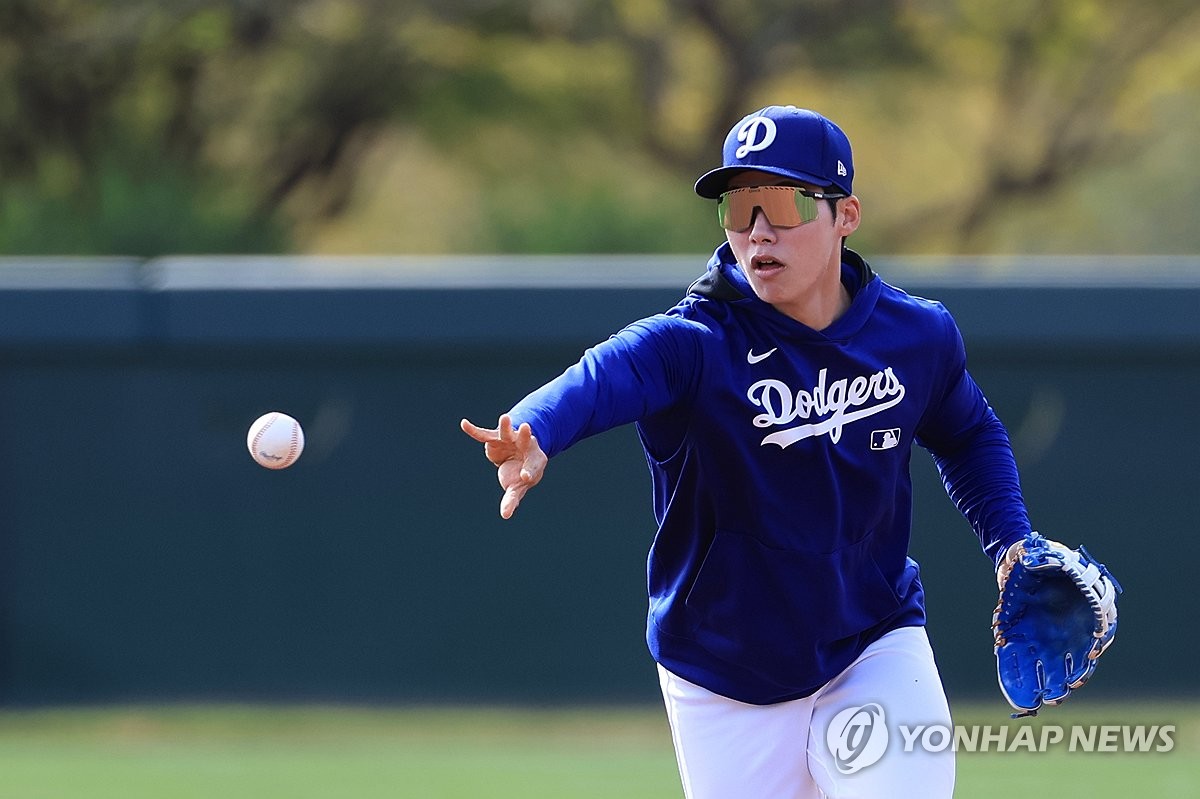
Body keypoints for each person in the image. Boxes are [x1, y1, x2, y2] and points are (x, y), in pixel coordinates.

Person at [461, 104, 1033, 798]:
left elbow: (968, 431)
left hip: (871, 641)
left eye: (781, 202)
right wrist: (535, 428)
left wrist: (1012, 541)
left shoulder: (916, 336)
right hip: (724, 668)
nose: (758, 230)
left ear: (844, 214)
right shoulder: (697, 343)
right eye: (738, 207)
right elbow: (605, 374)